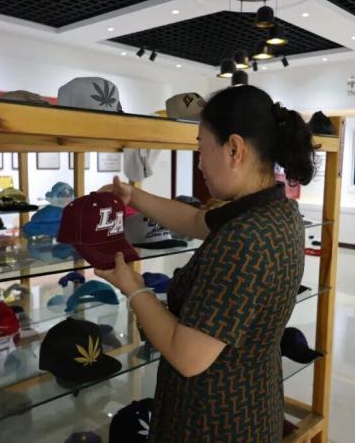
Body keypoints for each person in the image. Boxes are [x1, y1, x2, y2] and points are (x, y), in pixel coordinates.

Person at [95, 85, 317, 443]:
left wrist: (133, 287)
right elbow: (196, 221)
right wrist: (132, 195)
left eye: (201, 148)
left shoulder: (244, 239)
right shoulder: (278, 211)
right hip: (256, 401)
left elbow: (188, 356)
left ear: (234, 149)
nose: (199, 162)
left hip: (214, 421)